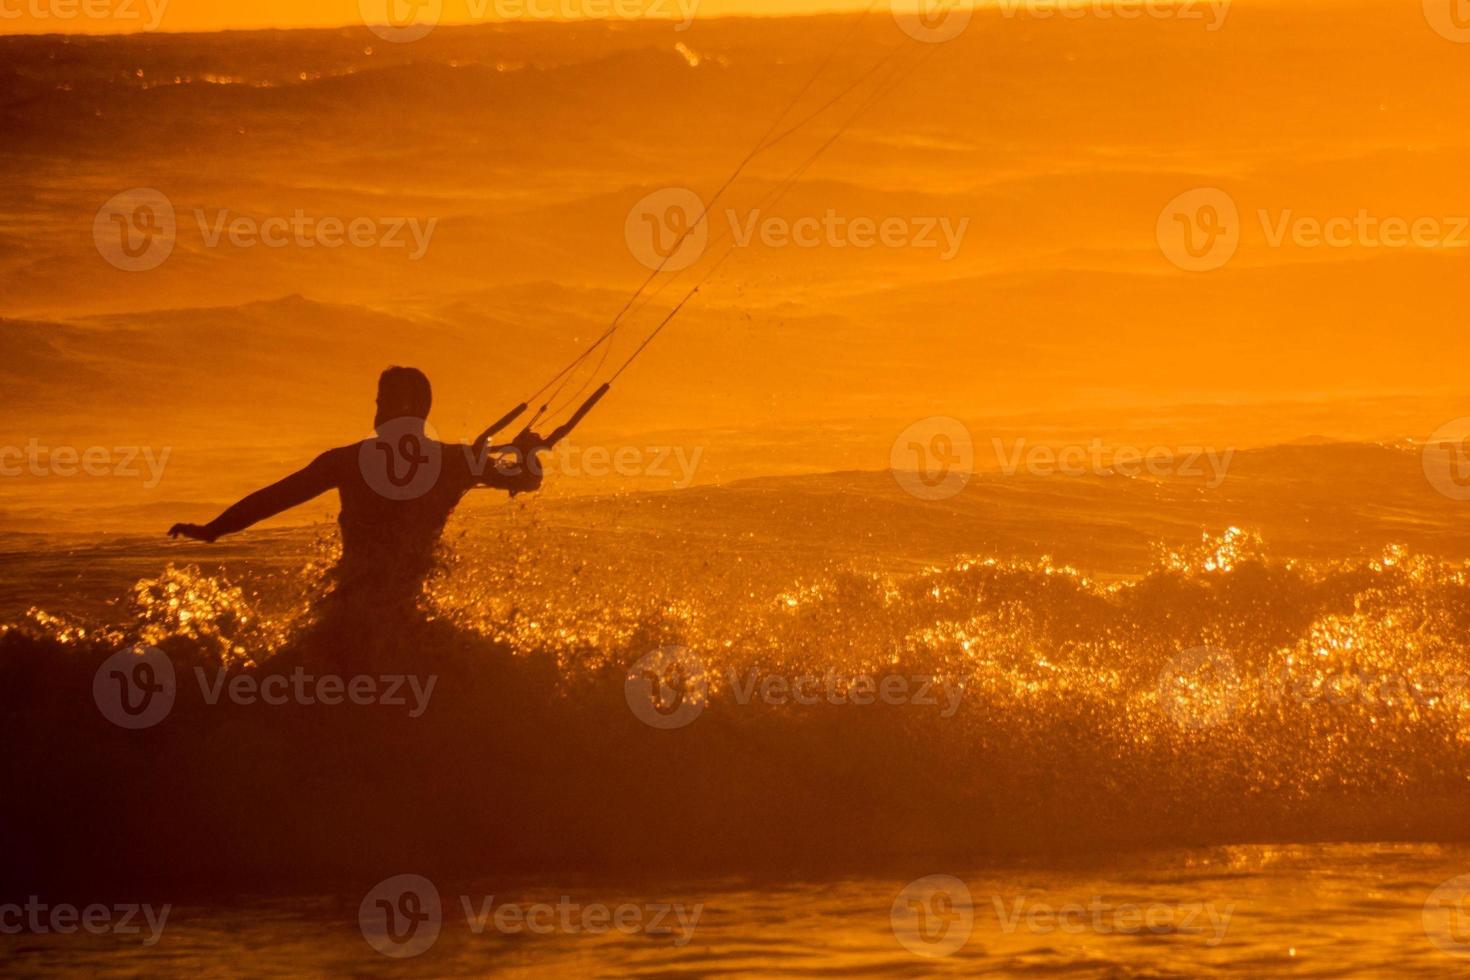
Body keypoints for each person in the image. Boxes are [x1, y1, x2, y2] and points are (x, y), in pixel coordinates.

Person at [168, 367, 542, 611]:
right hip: (408, 611)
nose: (376, 411)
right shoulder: (456, 461)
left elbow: (276, 497)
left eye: (381, 403)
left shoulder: (349, 461)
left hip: (351, 609)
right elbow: (527, 480)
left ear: (403, 407)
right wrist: (529, 453)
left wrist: (213, 529)